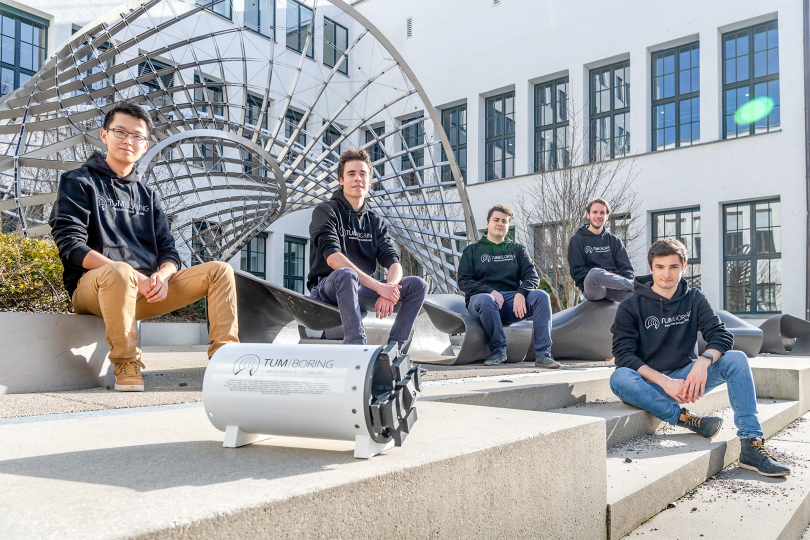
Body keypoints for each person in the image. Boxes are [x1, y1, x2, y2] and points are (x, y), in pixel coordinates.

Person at [49, 102, 239, 392]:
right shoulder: (78, 181)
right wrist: (130, 275)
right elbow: (70, 245)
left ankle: (224, 359)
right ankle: (126, 362)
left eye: (136, 136)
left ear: (145, 144)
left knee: (220, 271)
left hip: (146, 291)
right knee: (120, 272)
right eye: (120, 132)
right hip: (95, 291)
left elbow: (169, 250)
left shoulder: (147, 194)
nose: (128, 140)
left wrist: (162, 275)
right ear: (104, 135)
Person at [610, 238, 790, 477]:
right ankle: (685, 418)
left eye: (673, 267)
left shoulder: (694, 298)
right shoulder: (631, 306)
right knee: (619, 377)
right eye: (660, 267)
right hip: (650, 384)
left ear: (684, 268)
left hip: (687, 380)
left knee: (736, 359)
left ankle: (751, 445)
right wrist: (665, 382)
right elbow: (623, 355)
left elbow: (721, 336)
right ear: (651, 268)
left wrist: (703, 362)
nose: (666, 274)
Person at [307, 148, 428, 348]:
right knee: (346, 274)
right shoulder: (325, 211)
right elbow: (333, 259)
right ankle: (358, 348)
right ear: (341, 180)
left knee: (418, 285)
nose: (358, 179)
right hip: (327, 290)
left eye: (363, 174)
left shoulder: (374, 221)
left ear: (369, 181)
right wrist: (379, 287)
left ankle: (394, 351)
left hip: (362, 290)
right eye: (351, 174)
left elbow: (393, 262)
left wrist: (390, 290)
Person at [458, 204, 558, 368]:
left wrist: (521, 293)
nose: (500, 223)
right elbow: (463, 281)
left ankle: (543, 354)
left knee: (541, 296)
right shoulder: (472, 251)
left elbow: (532, 276)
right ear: (487, 223)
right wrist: (489, 291)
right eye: (496, 220)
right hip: (481, 303)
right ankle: (498, 351)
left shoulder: (517, 250)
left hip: (512, 303)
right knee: (486, 300)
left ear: (508, 225)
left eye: (504, 221)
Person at [568, 198, 634, 302]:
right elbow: (577, 271)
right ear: (588, 215)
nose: (598, 216)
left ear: (607, 216)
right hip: (594, 288)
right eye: (595, 212)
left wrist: (616, 279)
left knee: (639, 298)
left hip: (615, 288)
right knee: (595, 273)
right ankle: (638, 285)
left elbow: (627, 269)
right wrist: (607, 276)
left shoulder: (614, 241)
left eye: (602, 213)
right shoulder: (577, 239)